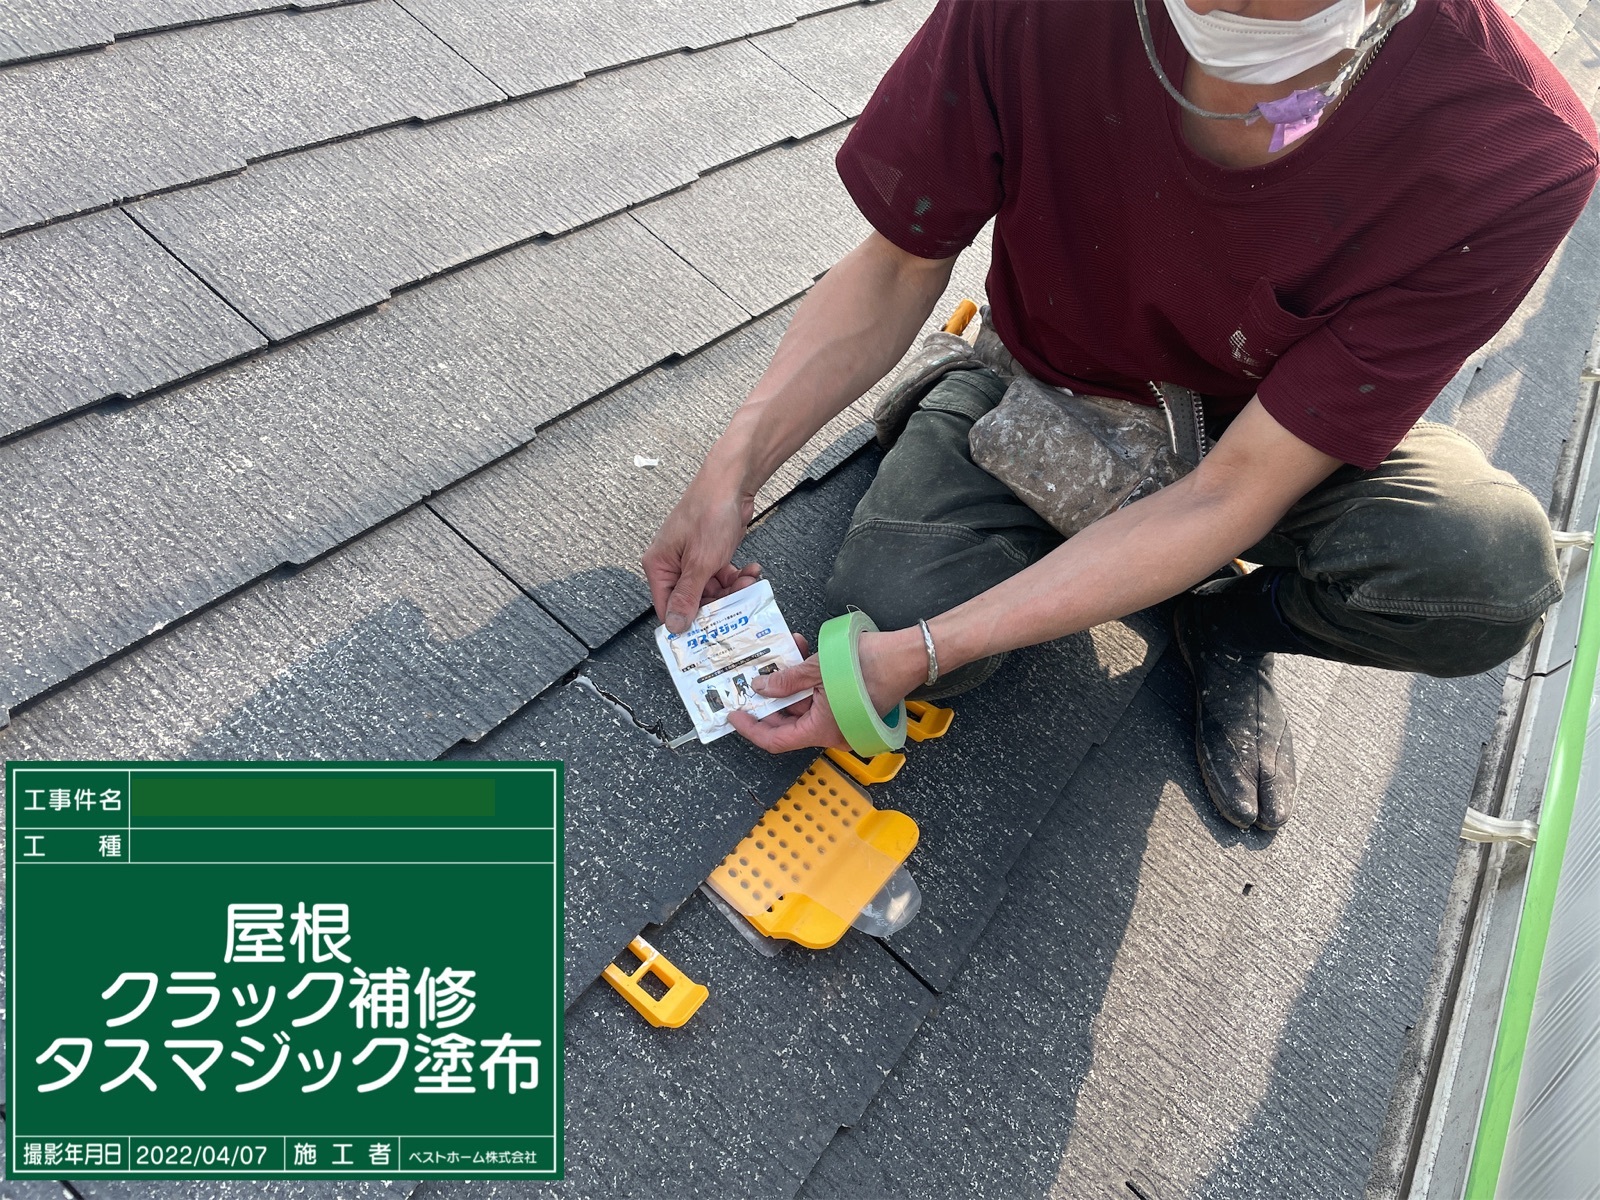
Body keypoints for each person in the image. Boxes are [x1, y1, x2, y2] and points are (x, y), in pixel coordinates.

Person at [642, 0, 1600, 831]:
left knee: (1487, 571)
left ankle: (1227, 625)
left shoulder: (1511, 152)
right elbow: (897, 264)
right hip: (1044, 378)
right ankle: (983, 445)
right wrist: (734, 468)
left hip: (1259, 440)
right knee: (889, 616)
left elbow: (1233, 491)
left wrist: (932, 648)